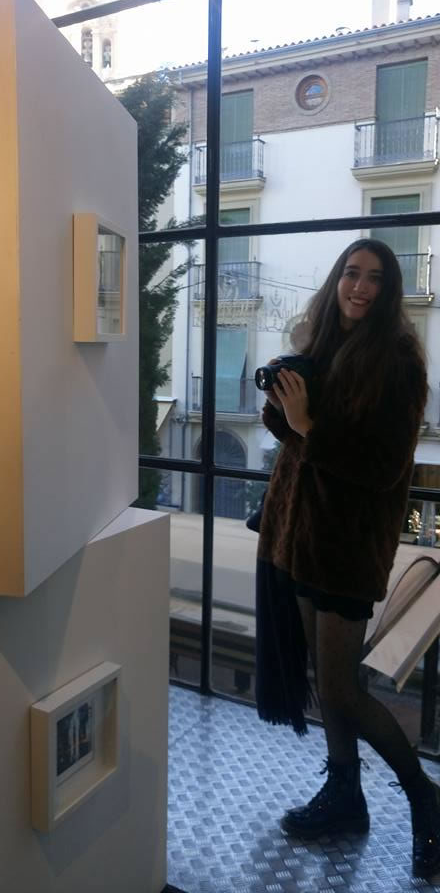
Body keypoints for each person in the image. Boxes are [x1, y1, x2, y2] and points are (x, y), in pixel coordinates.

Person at [256, 238, 439, 877]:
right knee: (326, 679)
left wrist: (307, 424)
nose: (360, 287)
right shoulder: (326, 346)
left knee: (340, 687)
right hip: (304, 539)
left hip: (348, 547)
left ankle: (426, 797)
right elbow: (298, 441)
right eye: (351, 274)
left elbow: (383, 467)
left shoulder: (398, 363)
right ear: (336, 280)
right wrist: (283, 407)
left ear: (389, 291)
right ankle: (345, 795)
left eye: (375, 278)